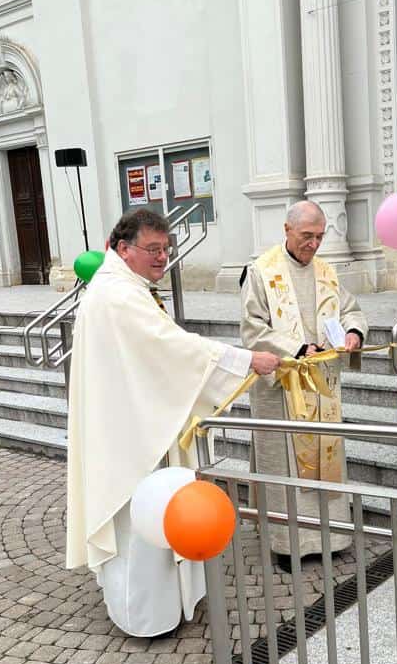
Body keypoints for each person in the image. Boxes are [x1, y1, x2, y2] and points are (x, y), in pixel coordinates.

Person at [66, 207, 280, 636]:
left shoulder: (120, 286)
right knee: (138, 526)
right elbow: (172, 348)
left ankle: (159, 608)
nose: (162, 257)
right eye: (152, 249)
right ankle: (146, 617)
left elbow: (157, 355)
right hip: (130, 437)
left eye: (166, 248)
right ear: (123, 249)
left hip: (132, 421)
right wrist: (245, 360)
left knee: (149, 519)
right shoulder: (118, 295)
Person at [240, 201, 369, 573]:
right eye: (306, 236)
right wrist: (296, 348)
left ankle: (332, 538)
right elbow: (252, 328)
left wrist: (353, 332)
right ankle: (287, 544)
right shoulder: (261, 272)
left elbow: (351, 310)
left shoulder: (326, 271)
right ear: (286, 230)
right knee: (285, 465)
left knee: (324, 459)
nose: (313, 244)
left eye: (319, 237)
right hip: (283, 385)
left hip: (321, 385)